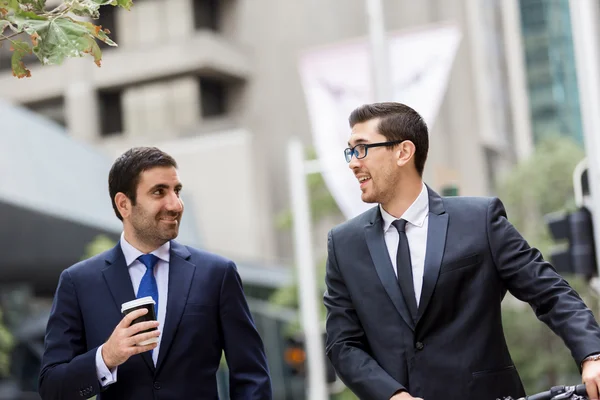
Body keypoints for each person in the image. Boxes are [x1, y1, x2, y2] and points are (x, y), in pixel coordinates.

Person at [323, 102, 600, 400]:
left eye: (361, 148)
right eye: (350, 151)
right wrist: (392, 395)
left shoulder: (479, 220)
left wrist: (592, 355)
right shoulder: (344, 244)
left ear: (403, 152)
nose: (353, 162)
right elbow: (343, 343)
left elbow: (550, 293)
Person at [39, 147, 272, 400]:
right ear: (124, 204)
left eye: (177, 191)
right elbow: (52, 387)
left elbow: (252, 377)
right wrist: (107, 356)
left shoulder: (217, 274)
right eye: (159, 192)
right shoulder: (79, 282)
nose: (175, 204)